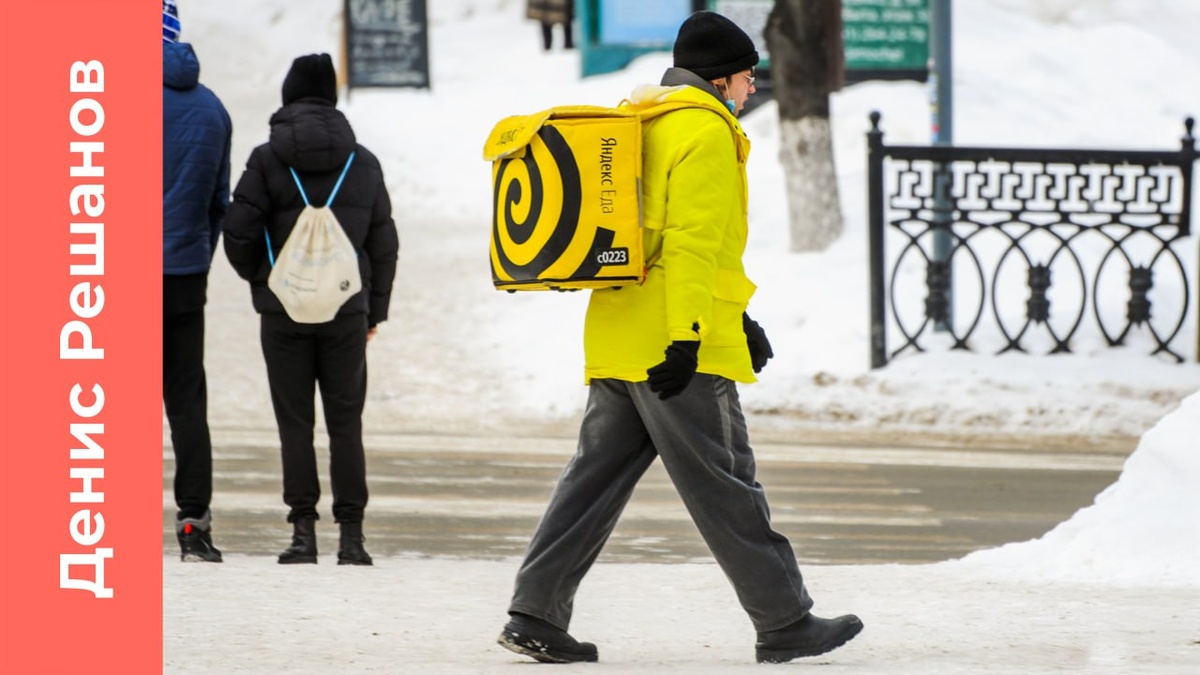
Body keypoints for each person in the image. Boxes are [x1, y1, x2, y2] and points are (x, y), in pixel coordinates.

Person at [497, 11, 862, 664]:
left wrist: (739, 320)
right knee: (728, 483)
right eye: (749, 78)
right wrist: (691, 337)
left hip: (617, 337)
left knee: (590, 484)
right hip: (674, 351)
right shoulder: (708, 133)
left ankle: (534, 611)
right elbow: (691, 245)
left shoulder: (637, 122)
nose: (752, 91)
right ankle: (784, 619)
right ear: (722, 80)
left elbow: (660, 239)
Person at [222, 53, 399, 566]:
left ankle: (303, 535)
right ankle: (353, 538)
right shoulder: (362, 161)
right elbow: (384, 243)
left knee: (294, 422)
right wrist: (374, 311)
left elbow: (237, 234)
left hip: (284, 313)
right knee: (346, 423)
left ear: (287, 96)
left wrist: (265, 283)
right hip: (346, 310)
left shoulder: (265, 158)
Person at [162, 0, 232, 563]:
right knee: (187, 400)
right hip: (183, 276)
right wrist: (196, 255)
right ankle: (194, 524)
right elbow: (218, 205)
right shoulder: (211, 109)